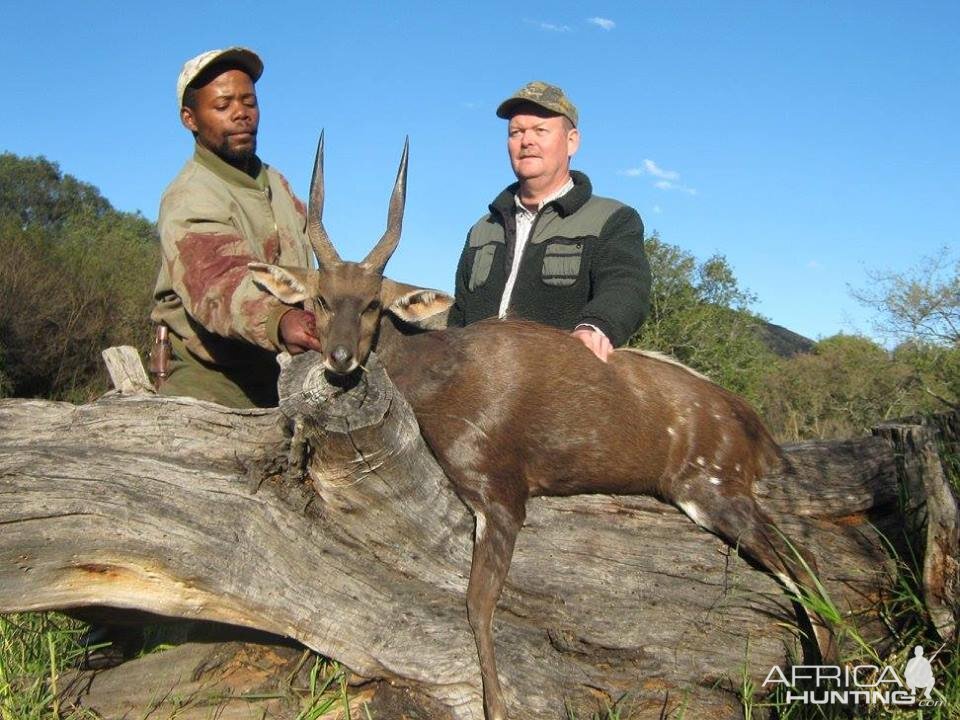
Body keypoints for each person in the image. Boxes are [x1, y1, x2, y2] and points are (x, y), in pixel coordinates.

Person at [151, 46, 321, 407]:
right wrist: (279, 319)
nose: (241, 114)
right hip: (215, 385)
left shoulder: (277, 184)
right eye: (223, 105)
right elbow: (218, 280)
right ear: (189, 119)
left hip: (287, 373)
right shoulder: (188, 195)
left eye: (249, 102)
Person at [447, 81, 651, 362]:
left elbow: (627, 286)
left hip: (557, 388)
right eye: (515, 132)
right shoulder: (482, 230)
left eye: (540, 130)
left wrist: (595, 327)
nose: (526, 141)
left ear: (572, 141)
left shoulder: (612, 220)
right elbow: (459, 317)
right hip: (477, 388)